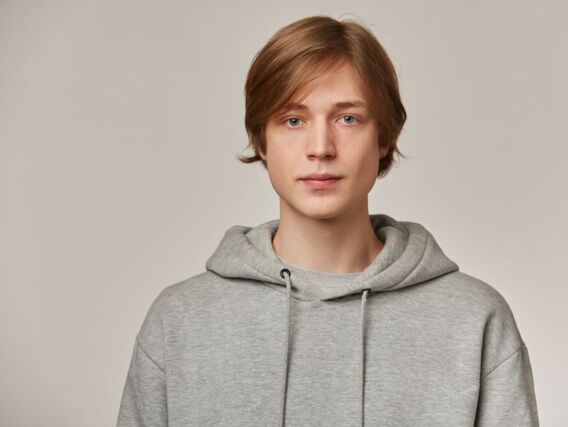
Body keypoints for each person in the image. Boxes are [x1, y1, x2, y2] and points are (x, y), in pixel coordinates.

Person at [116, 15, 539, 426]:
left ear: (383, 137)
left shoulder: (474, 320)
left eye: (348, 118)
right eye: (293, 120)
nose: (320, 147)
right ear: (261, 140)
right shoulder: (179, 320)